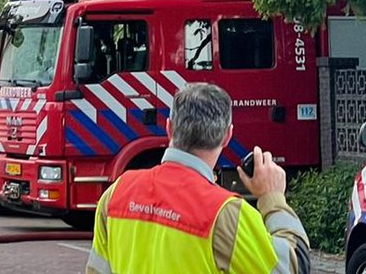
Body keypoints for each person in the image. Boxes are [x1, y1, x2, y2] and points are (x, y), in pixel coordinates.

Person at [85, 82, 311, 274]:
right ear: (227, 136)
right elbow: (293, 266)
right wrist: (273, 199)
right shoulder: (226, 214)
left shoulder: (117, 194)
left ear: (169, 128)